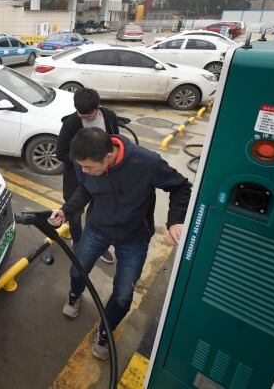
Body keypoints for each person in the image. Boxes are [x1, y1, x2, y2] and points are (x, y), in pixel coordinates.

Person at [50, 127, 191, 361]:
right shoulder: (84, 161)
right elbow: (84, 189)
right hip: (98, 228)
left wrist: (176, 220)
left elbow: (181, 186)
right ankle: (75, 294)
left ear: (108, 157)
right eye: (81, 167)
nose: (83, 171)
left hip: (134, 236)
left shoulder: (146, 162)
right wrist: (66, 211)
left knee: (124, 295)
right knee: (78, 270)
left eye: (88, 168)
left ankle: (105, 330)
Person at [56, 88, 120, 264]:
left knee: (99, 212)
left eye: (89, 116)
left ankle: (99, 244)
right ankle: (78, 241)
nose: (85, 118)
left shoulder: (109, 116)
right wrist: (83, 161)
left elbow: (117, 142)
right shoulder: (70, 124)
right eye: (81, 115)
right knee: (75, 212)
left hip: (104, 176)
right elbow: (60, 152)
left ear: (98, 106)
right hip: (77, 180)